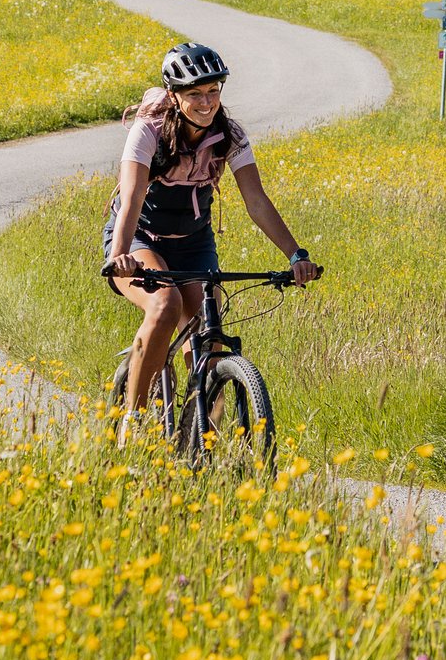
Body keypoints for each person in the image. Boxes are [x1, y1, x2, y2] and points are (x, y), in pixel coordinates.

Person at [103, 41, 321, 440]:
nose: (206, 103)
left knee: (207, 340)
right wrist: (120, 255)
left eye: (213, 91)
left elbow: (256, 200)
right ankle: (132, 424)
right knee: (165, 306)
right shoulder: (148, 131)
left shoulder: (229, 135)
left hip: (194, 243)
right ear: (173, 96)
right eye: (194, 94)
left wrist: (296, 255)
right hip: (139, 239)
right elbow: (130, 199)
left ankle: (199, 442)